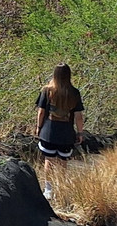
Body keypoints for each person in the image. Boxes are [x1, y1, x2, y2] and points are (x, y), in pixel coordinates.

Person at [35, 63, 85, 200]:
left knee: (49, 160)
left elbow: (41, 112)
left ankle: (48, 190)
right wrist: (80, 132)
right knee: (63, 162)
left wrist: (38, 127)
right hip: (66, 134)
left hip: (49, 132)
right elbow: (78, 116)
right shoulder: (74, 93)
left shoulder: (47, 91)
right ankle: (60, 189)